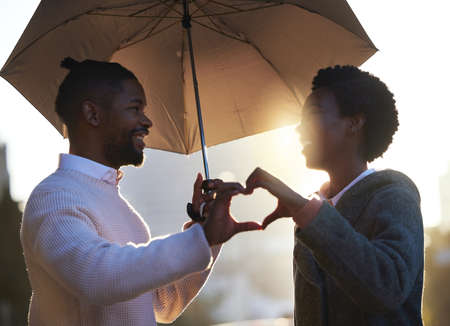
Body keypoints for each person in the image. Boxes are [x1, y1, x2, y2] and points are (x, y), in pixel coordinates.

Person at [20, 57, 261, 326]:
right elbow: (98, 277)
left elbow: (164, 305)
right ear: (93, 114)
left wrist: (206, 234)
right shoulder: (54, 197)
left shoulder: (118, 206)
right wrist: (199, 238)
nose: (147, 122)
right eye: (135, 108)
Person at [243, 65, 424, 325]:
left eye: (314, 113)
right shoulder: (312, 213)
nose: (299, 128)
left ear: (354, 122)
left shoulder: (394, 195)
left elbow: (387, 288)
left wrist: (304, 210)